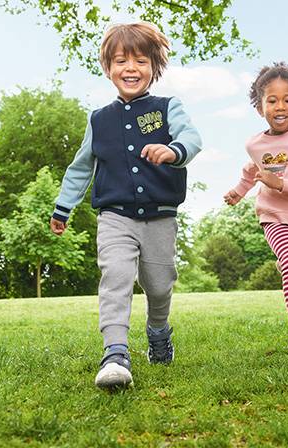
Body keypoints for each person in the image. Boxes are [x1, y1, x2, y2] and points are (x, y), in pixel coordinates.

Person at [50, 22, 202, 388]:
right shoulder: (98, 120)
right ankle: (115, 353)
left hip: (160, 219)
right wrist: (63, 207)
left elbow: (192, 138)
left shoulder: (168, 107)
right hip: (114, 217)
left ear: (154, 67)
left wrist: (173, 150)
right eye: (121, 61)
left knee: (160, 286)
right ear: (108, 68)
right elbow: (81, 166)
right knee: (115, 277)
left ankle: (158, 330)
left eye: (140, 61)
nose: (130, 68)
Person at [223, 61, 288, 362]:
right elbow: (250, 171)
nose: (280, 106)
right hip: (274, 216)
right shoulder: (254, 144)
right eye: (272, 100)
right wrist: (239, 192)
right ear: (260, 108)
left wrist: (279, 182)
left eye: (287, 99)